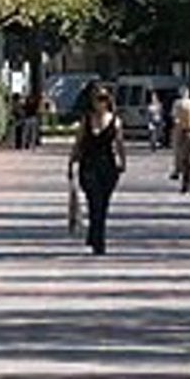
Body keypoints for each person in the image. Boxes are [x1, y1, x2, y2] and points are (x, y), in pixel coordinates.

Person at [68, 86, 126, 254]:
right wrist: (71, 162)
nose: (100, 103)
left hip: (108, 167)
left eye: (103, 99)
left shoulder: (115, 121)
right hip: (88, 166)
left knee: (103, 205)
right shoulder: (87, 119)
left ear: (108, 101)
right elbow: (78, 142)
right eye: (97, 99)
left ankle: (95, 235)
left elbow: (120, 144)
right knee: (94, 202)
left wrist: (123, 162)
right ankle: (99, 241)